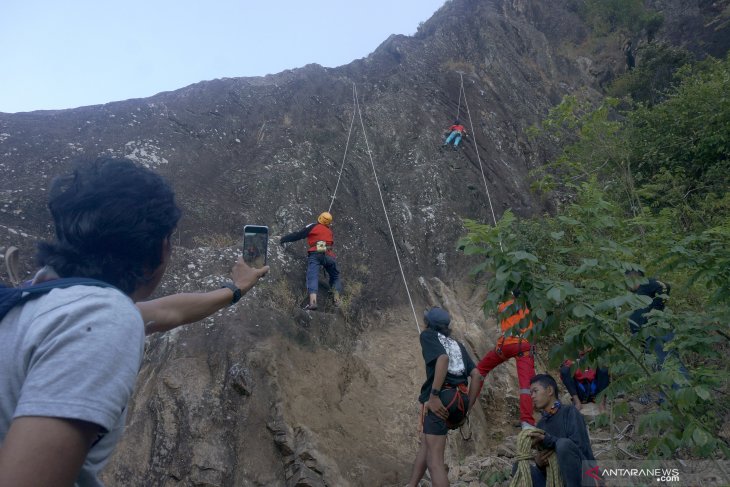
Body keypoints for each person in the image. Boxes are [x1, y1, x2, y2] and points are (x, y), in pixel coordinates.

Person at [0, 158, 268, 486]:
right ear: (162, 247)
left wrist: (235, 289)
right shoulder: (103, 319)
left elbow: (168, 312)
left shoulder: (40, 302)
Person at [407, 307, 481, 487]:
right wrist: (467, 411)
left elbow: (442, 359)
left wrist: (433, 396)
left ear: (428, 323)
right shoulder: (457, 344)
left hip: (442, 398)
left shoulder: (427, 336)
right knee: (427, 442)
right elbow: (477, 375)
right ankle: (411, 484)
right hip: (461, 399)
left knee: (435, 463)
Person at [476, 289, 536, 429]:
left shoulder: (504, 305)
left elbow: (498, 309)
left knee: (480, 369)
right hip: (525, 347)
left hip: (506, 345)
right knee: (526, 387)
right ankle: (527, 422)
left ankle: (468, 400)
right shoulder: (532, 307)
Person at [526, 374, 597, 487]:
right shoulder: (540, 424)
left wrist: (548, 439)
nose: (532, 396)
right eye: (531, 393)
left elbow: (579, 448)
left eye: (535, 391)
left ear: (549, 390)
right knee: (519, 466)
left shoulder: (570, 412)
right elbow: (546, 462)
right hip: (555, 480)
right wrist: (539, 463)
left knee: (563, 444)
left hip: (584, 477)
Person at [280, 211, 343, 310]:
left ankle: (313, 302)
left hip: (316, 252)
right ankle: (337, 300)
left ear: (319, 218)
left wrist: (283, 239)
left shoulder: (313, 226)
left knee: (312, 275)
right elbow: (327, 244)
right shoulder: (329, 231)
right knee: (335, 276)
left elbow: (298, 235)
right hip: (329, 255)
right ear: (329, 223)